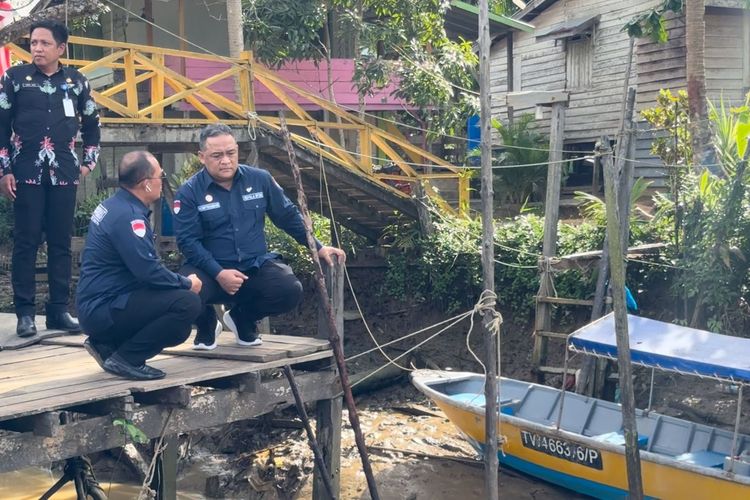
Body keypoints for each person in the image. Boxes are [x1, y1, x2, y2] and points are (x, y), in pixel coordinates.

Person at [174, 123, 345, 350]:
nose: (225, 160)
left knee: (288, 289)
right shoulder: (189, 191)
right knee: (183, 290)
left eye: (230, 153)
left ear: (237, 150)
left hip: (252, 267)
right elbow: (188, 242)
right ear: (202, 157)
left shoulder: (260, 180)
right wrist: (219, 272)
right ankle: (207, 324)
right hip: (209, 270)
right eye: (217, 155)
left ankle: (241, 318)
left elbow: (287, 216)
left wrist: (318, 246)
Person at [0, 20, 101, 338]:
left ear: (61, 48)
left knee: (60, 244)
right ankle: (25, 314)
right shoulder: (14, 78)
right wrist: (4, 169)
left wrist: (88, 163)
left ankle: (59, 311)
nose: (37, 48)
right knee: (26, 243)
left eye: (44, 43)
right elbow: (1, 126)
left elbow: (92, 123)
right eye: (33, 43)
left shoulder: (76, 80)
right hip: (25, 174)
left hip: (64, 175)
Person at [76, 151, 202, 380]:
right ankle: (127, 359)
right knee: (188, 303)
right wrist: (186, 283)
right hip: (104, 307)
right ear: (145, 184)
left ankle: (107, 345)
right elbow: (149, 271)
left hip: (100, 304)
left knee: (179, 322)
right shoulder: (129, 217)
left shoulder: (114, 205)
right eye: (160, 177)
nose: (162, 183)